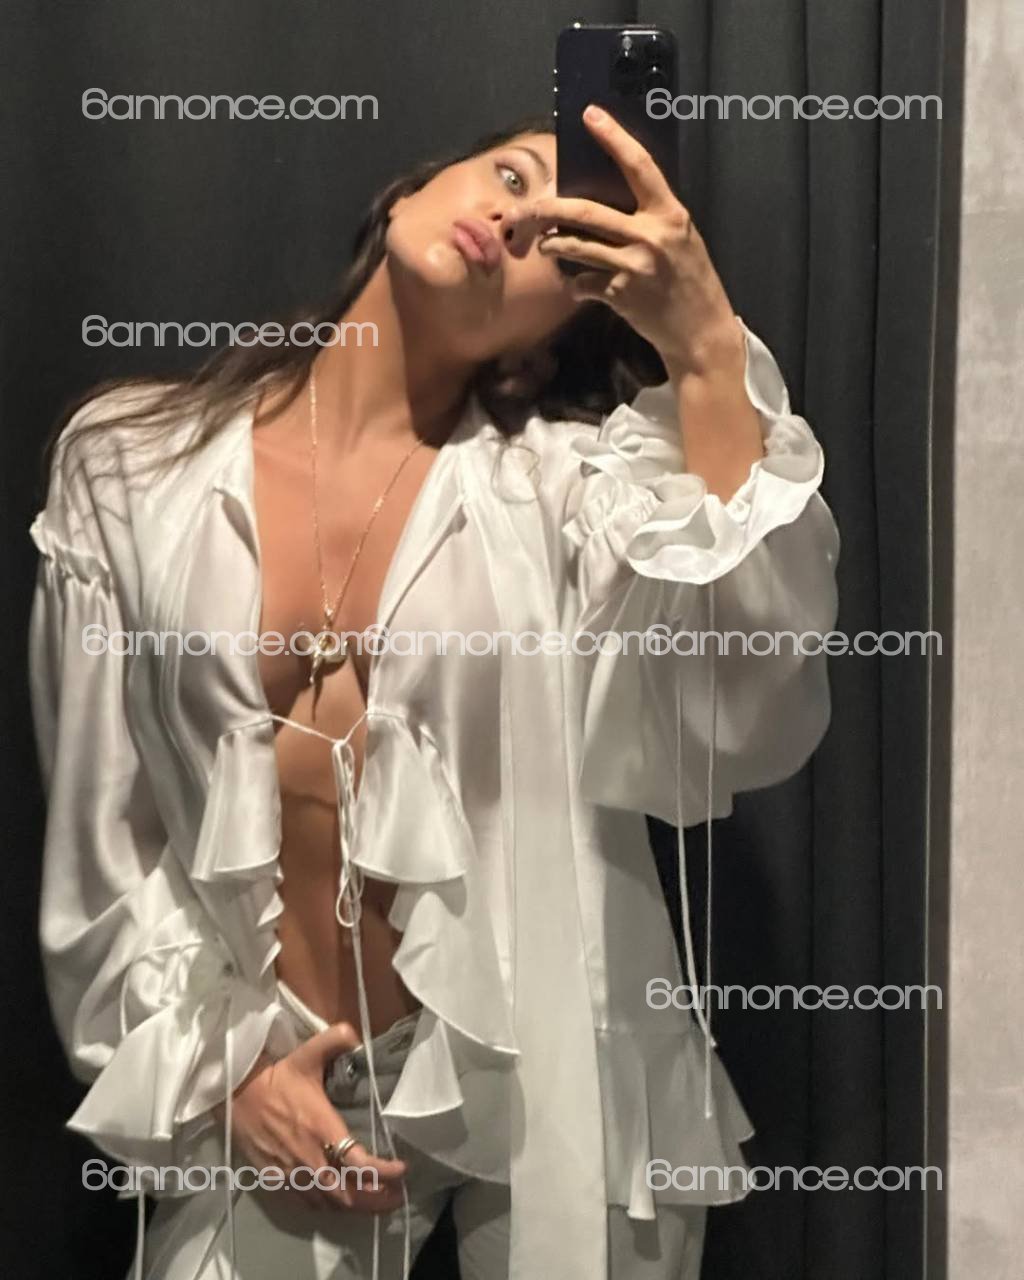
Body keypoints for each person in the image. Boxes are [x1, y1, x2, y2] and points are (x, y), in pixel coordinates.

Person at [28, 106, 840, 1280]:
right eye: (508, 175)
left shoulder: (570, 495)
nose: (512, 221)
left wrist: (705, 344)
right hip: (288, 1065)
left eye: (560, 246)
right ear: (409, 191)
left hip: (559, 1060)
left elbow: (735, 708)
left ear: (551, 335)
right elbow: (105, 831)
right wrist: (224, 1068)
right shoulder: (129, 462)